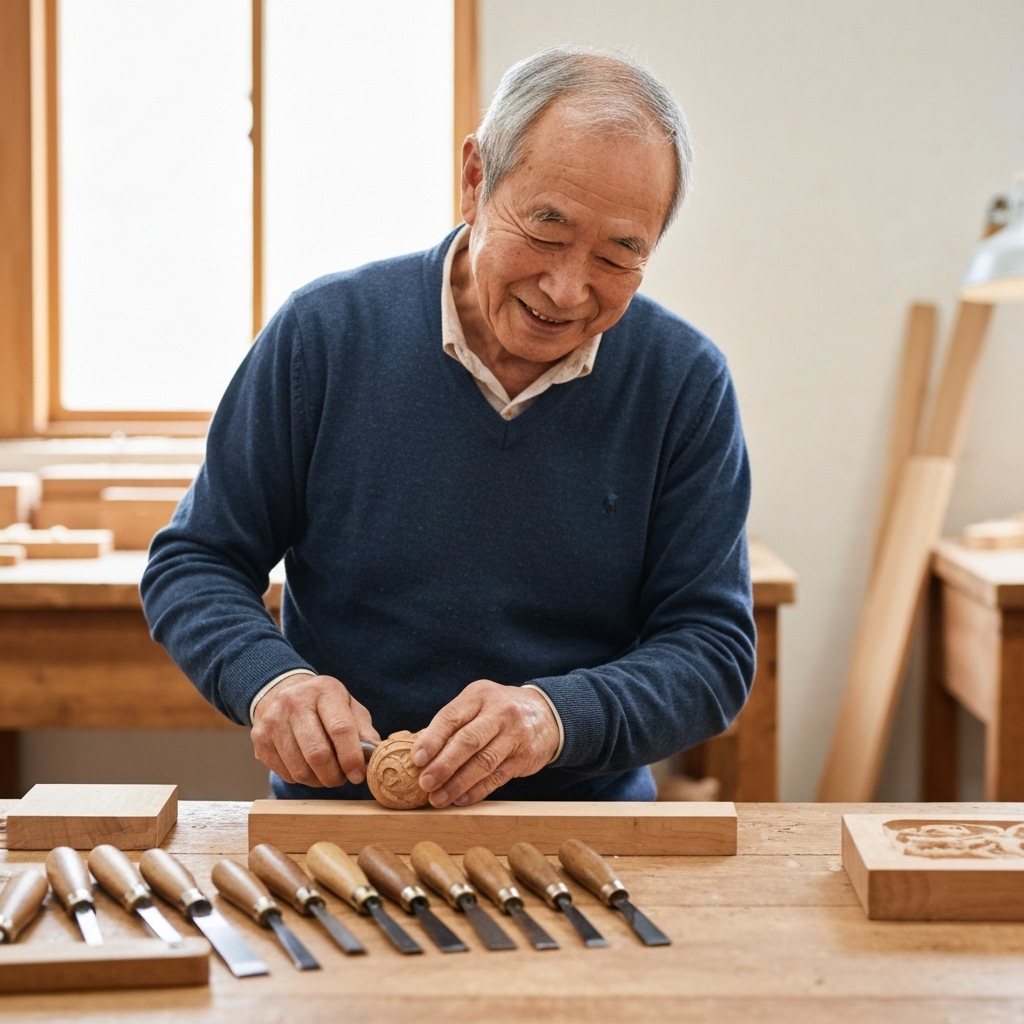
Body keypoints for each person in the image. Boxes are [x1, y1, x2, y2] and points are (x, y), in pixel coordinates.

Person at [141, 45, 755, 807]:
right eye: (546, 230)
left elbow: (712, 651)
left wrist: (555, 717)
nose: (566, 289)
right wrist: (272, 683)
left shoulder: (684, 382)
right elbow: (195, 561)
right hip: (345, 822)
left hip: (587, 830)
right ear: (474, 178)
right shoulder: (324, 337)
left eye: (619, 255)